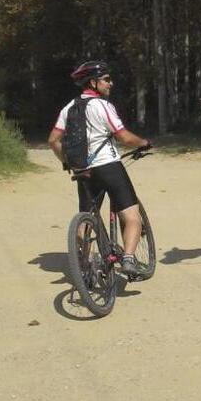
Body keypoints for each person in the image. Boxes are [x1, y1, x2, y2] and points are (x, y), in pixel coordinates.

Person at [47, 60, 152, 278]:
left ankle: (85, 265)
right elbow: (123, 137)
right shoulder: (102, 106)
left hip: (83, 170)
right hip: (108, 166)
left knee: (86, 218)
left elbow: (53, 140)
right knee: (132, 216)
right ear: (93, 82)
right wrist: (144, 143)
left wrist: (66, 161)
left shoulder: (69, 108)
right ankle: (129, 259)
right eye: (106, 79)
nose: (110, 83)